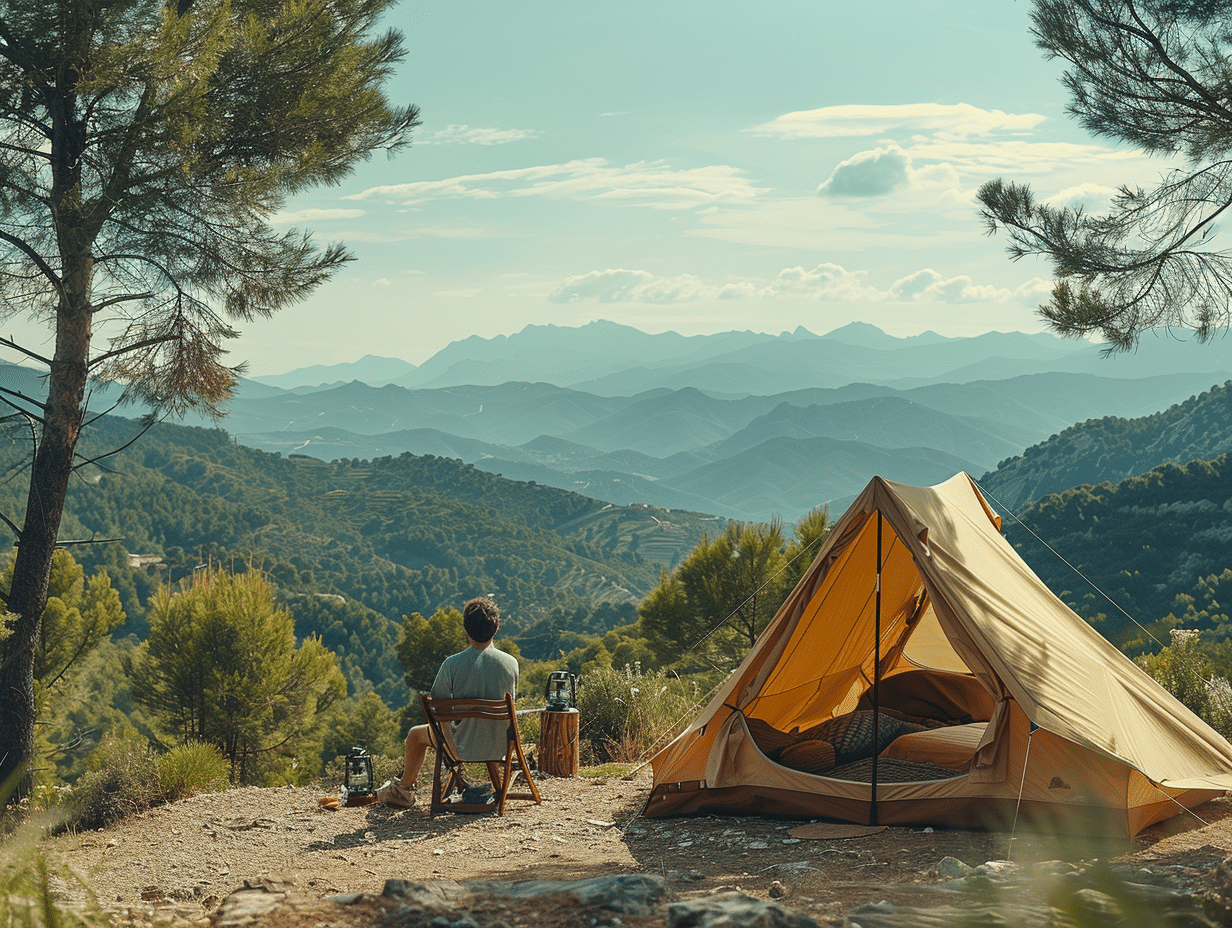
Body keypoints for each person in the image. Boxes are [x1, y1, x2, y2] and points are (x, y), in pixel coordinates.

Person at [376, 596, 518, 808]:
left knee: (415, 735)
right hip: (501, 747)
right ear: (495, 629)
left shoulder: (451, 665)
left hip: (460, 748)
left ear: (466, 629)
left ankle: (403, 791)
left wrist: (450, 743)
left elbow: (438, 709)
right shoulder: (511, 663)